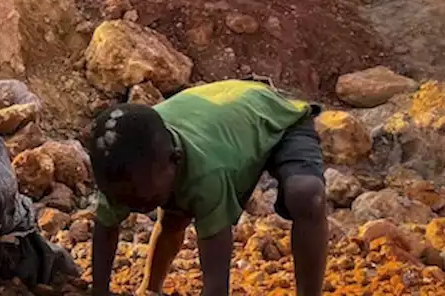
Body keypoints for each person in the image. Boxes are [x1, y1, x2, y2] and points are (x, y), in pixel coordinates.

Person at [89, 80, 327, 296]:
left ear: (176, 159)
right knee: (175, 209)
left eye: (144, 198)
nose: (134, 207)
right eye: (124, 200)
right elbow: (105, 230)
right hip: (222, 110)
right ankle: (149, 289)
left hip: (275, 114)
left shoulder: (207, 173)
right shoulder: (120, 159)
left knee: (305, 193)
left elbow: (216, 285)